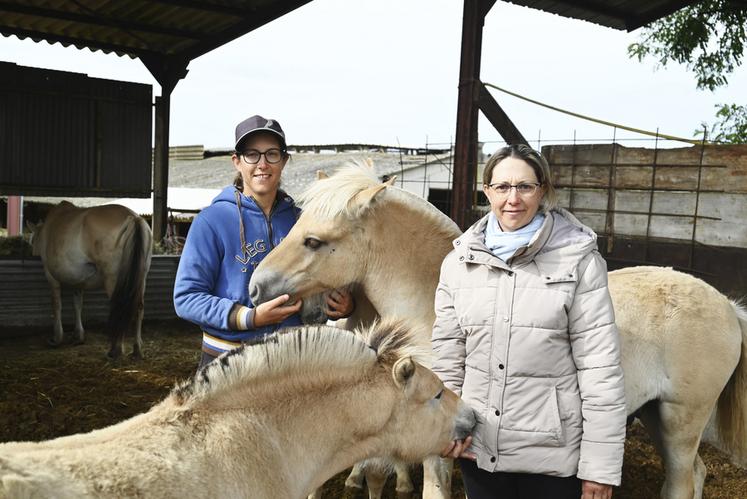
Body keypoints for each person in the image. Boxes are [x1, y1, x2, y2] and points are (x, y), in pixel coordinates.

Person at [432, 144, 626, 499]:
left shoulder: (579, 261)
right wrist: (443, 428)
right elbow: (448, 356)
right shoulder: (458, 264)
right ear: (487, 190)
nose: (513, 199)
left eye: (525, 186)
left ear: (543, 191)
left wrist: (599, 467)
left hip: (551, 454)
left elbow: (600, 369)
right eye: (502, 187)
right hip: (481, 449)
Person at [174, 115, 354, 368]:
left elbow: (322, 283)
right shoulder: (212, 221)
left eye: (271, 154)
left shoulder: (303, 223)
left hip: (293, 362)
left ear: (284, 160)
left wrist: (343, 306)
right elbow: (186, 298)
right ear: (237, 161)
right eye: (252, 155)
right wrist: (249, 318)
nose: (262, 164)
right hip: (229, 362)